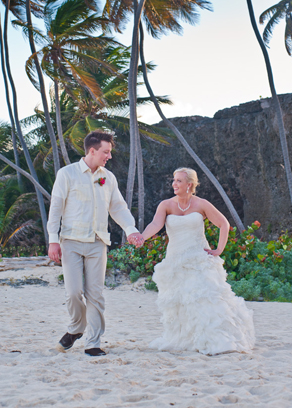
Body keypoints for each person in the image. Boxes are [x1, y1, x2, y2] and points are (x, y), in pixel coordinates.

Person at [47, 130, 144, 356]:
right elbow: (56, 209)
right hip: (70, 241)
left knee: (96, 294)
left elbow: (118, 207)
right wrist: (53, 241)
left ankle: (93, 343)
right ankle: (76, 328)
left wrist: (131, 230)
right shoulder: (67, 174)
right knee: (73, 293)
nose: (109, 156)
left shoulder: (108, 178)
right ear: (92, 150)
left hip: (98, 242)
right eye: (106, 152)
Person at [140, 167, 255, 355]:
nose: (174, 184)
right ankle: (188, 339)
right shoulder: (166, 205)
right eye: (174, 180)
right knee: (182, 301)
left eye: (178, 181)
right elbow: (155, 224)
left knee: (205, 299)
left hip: (199, 259)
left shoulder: (201, 204)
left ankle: (215, 339)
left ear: (189, 185)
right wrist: (142, 237)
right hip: (176, 261)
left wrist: (219, 249)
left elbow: (223, 224)